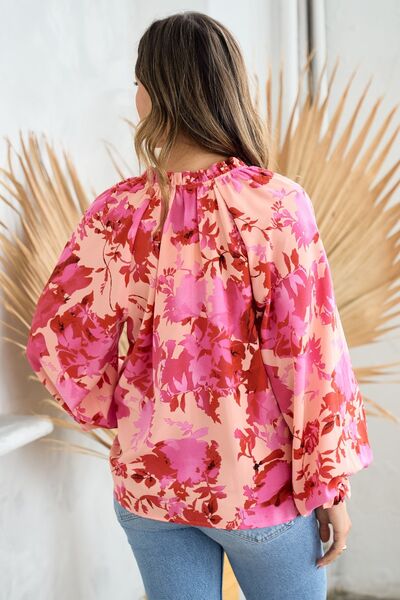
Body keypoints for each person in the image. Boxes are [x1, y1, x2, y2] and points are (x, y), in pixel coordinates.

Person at [25, 10, 373, 600]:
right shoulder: (276, 205)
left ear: (155, 93)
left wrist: (117, 408)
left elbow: (62, 340)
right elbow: (309, 356)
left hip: (151, 487)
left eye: (137, 81)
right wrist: (330, 486)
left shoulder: (117, 212)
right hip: (259, 488)